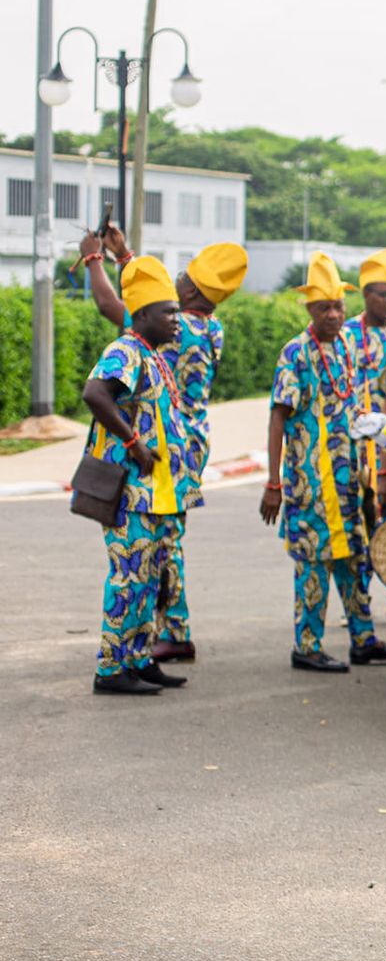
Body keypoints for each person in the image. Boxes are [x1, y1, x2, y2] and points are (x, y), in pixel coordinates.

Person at [78, 231, 248, 665]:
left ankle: (172, 631)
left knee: (159, 547)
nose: (175, 282)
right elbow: (145, 302)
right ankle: (149, 642)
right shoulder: (209, 327)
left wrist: (95, 260)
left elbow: (117, 307)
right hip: (186, 442)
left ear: (189, 294)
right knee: (157, 545)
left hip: (162, 447)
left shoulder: (177, 327)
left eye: (181, 280)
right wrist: (125, 257)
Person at [260, 254, 386, 674]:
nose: (332, 314)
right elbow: (278, 417)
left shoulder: (346, 346)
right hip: (310, 480)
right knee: (314, 562)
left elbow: (351, 403)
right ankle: (306, 645)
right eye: (323, 307)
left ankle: (363, 640)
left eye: (338, 307)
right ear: (310, 308)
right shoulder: (295, 353)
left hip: (348, 478)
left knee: (354, 557)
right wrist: (273, 483)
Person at [80, 256, 193, 695]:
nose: (176, 320)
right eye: (169, 312)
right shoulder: (125, 350)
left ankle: (140, 660)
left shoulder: (152, 354)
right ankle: (111, 669)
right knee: (128, 578)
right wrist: (133, 442)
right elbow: (95, 393)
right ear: (142, 314)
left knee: (150, 579)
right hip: (131, 493)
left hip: (158, 494)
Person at [343, 249, 386, 625]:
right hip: (356, 449)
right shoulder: (346, 335)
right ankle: (360, 610)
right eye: (385, 295)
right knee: (361, 526)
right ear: (366, 295)